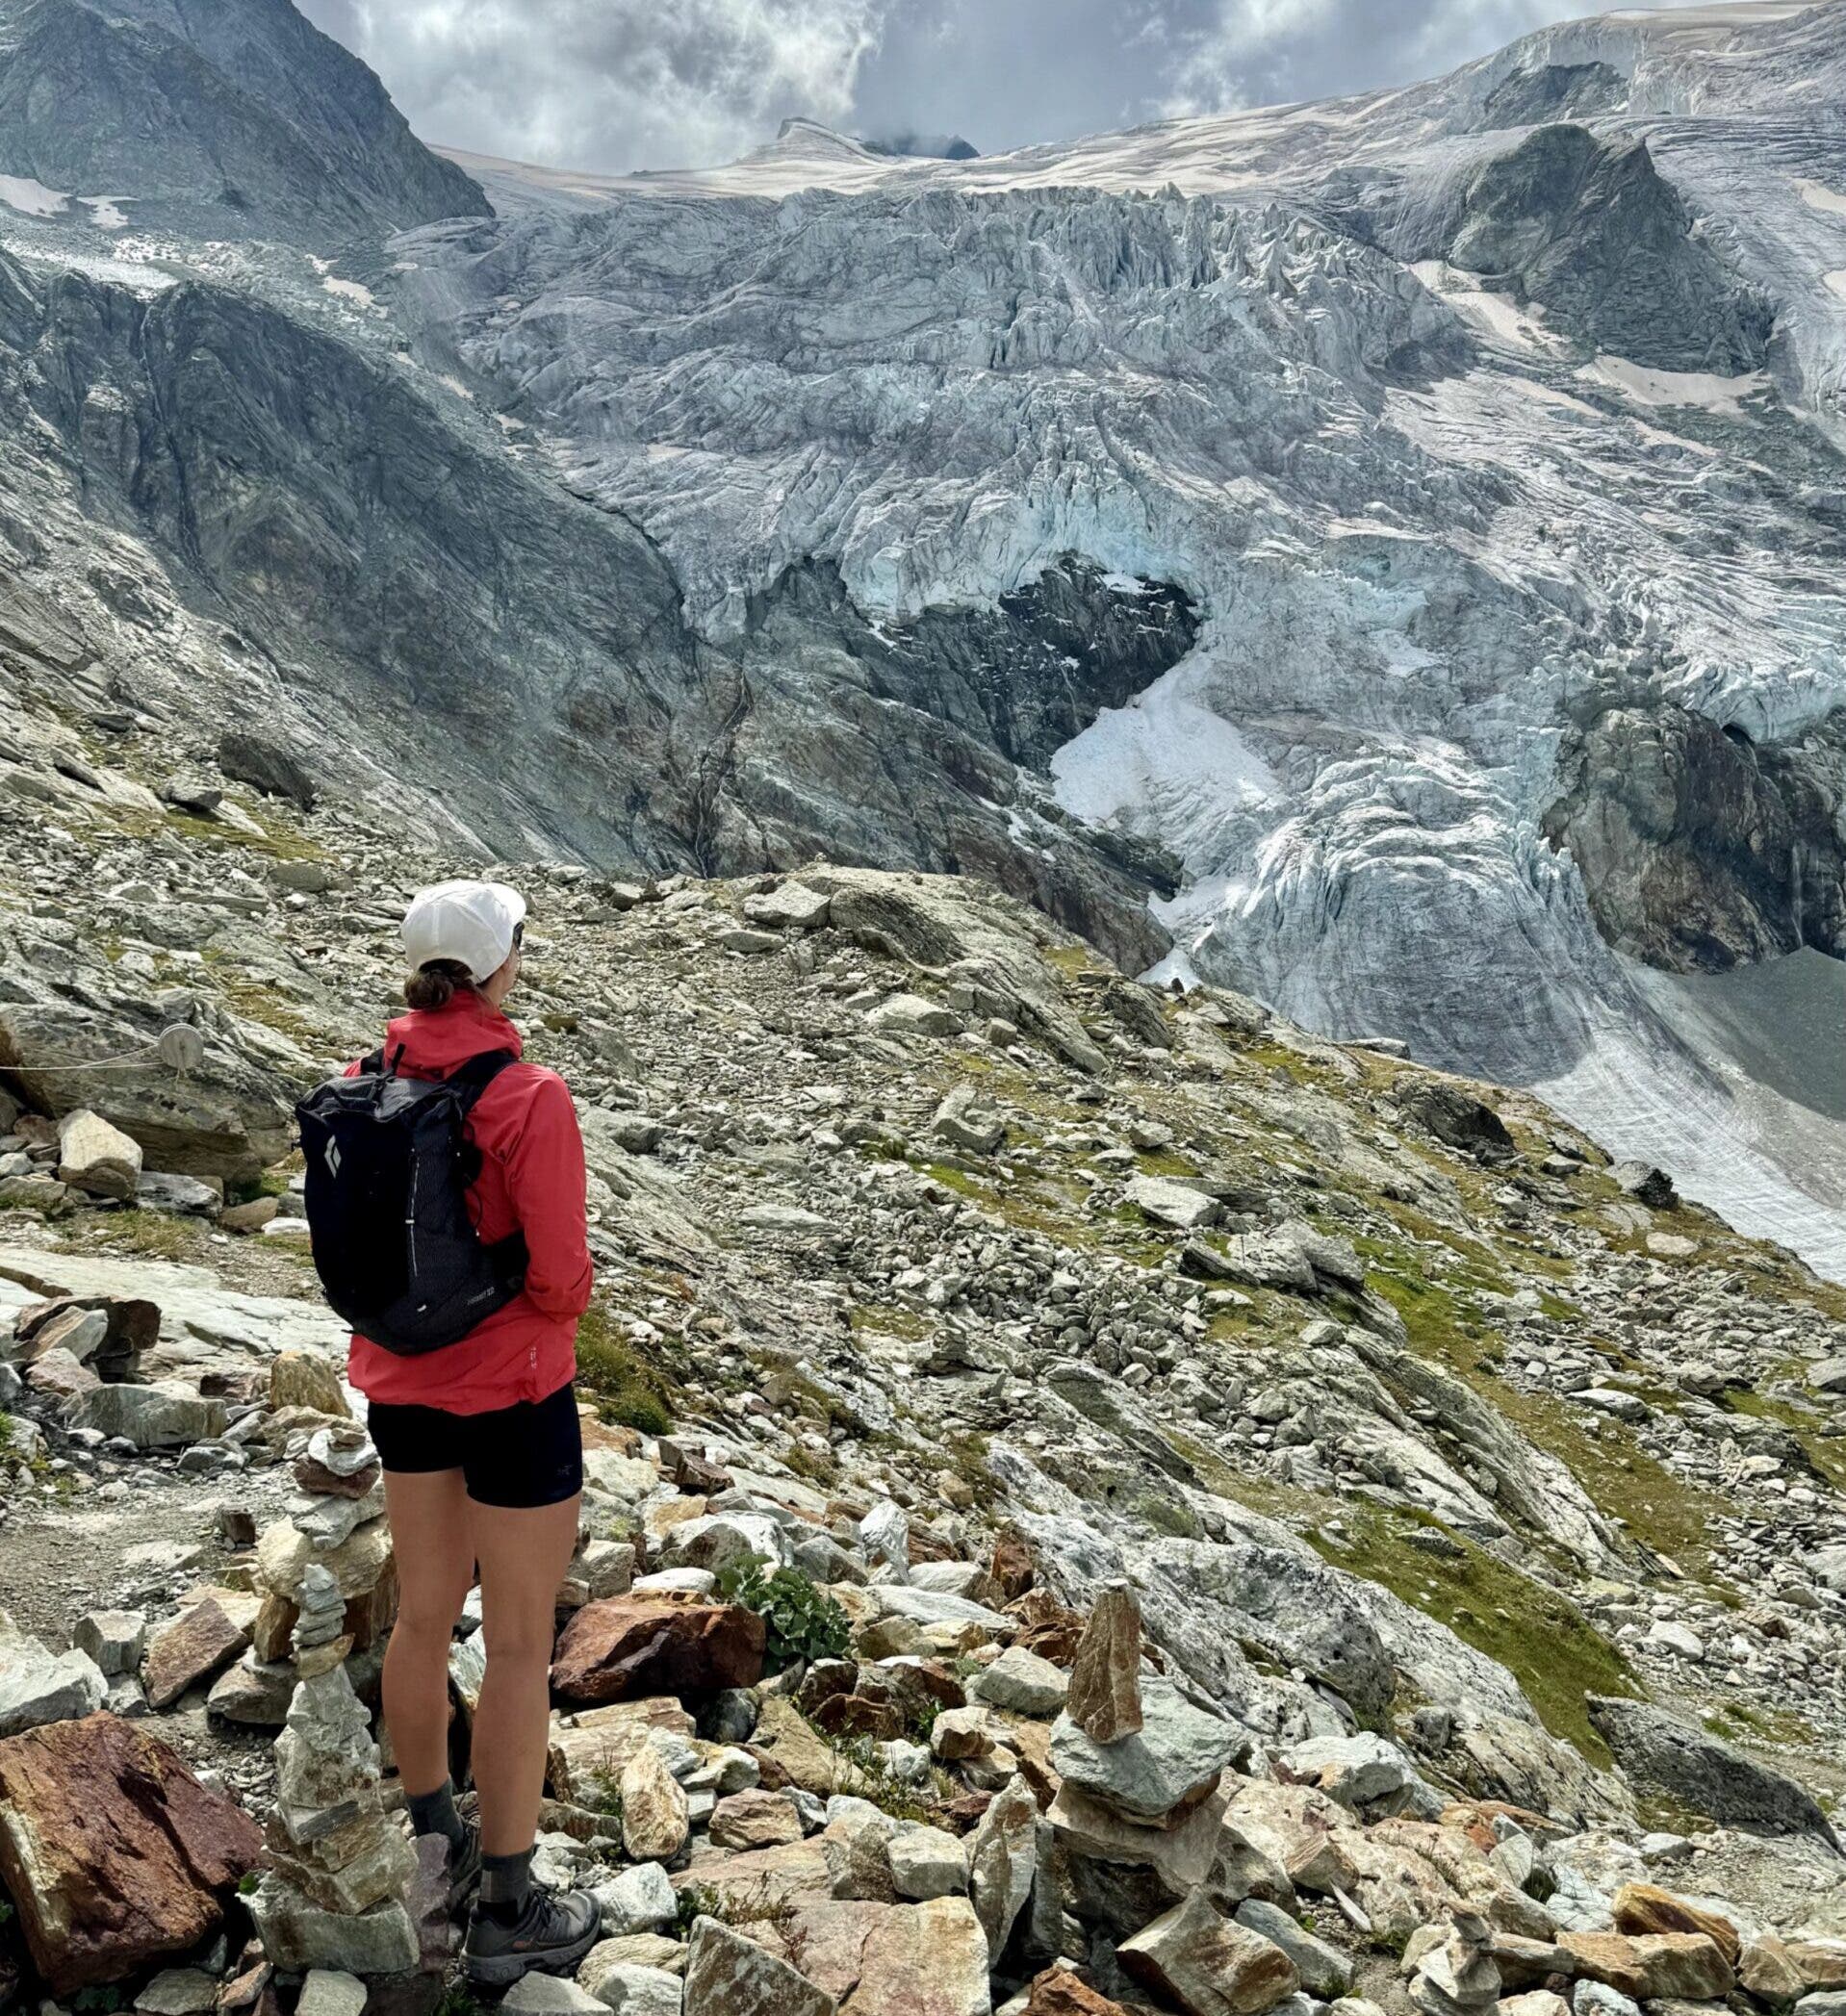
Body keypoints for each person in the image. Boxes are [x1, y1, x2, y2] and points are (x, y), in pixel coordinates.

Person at [346, 879, 601, 1986]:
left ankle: (428, 1843)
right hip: (514, 1392)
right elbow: (561, 1279)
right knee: (513, 1647)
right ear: (498, 967)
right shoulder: (528, 1094)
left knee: (420, 1617)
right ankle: (508, 1903)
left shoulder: (368, 1078)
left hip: (401, 1384)